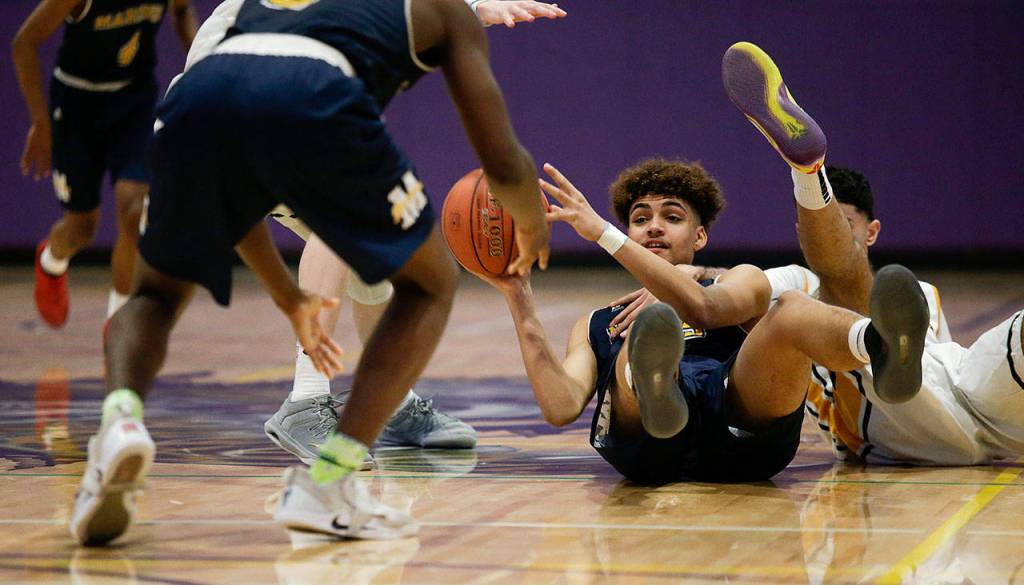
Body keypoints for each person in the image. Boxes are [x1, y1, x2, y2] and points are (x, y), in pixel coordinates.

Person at [69, 0, 551, 546]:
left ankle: (121, 421)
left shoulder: (242, 11)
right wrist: (531, 226)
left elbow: (232, 180)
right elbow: (505, 162)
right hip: (312, 99)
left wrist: (285, 293)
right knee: (428, 281)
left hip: (194, 104)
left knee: (157, 293)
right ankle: (325, 469)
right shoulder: (439, 12)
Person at [476, 157, 928, 484]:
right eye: (639, 219)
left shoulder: (741, 280)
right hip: (645, 447)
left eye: (671, 217)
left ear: (700, 235)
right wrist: (518, 296)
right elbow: (560, 406)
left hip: (740, 430)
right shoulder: (599, 321)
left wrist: (603, 234)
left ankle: (880, 347)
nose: (653, 227)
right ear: (629, 235)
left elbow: (704, 308)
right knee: (641, 338)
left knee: (788, 310)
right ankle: (656, 389)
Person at [263, 0, 567, 469]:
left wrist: (467, 9)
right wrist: (529, 222)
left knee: (375, 251)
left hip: (244, 108)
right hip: (237, 104)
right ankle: (305, 399)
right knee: (351, 212)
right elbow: (502, 154)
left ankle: (390, 400)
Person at [723, 41, 1024, 465]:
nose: (838, 236)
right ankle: (809, 174)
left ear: (873, 232)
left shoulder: (916, 291)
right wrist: (696, 279)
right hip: (880, 413)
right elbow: (737, 289)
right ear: (804, 232)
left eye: (845, 226)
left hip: (965, 386)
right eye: (825, 224)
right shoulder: (795, 281)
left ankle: (809, 175)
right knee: (847, 305)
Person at [12, 0, 197, 328]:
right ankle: (51, 263)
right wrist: (40, 123)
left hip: (133, 102)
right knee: (81, 229)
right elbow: (24, 43)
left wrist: (200, 67)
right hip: (76, 105)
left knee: (135, 209)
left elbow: (181, 11)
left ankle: (118, 324)